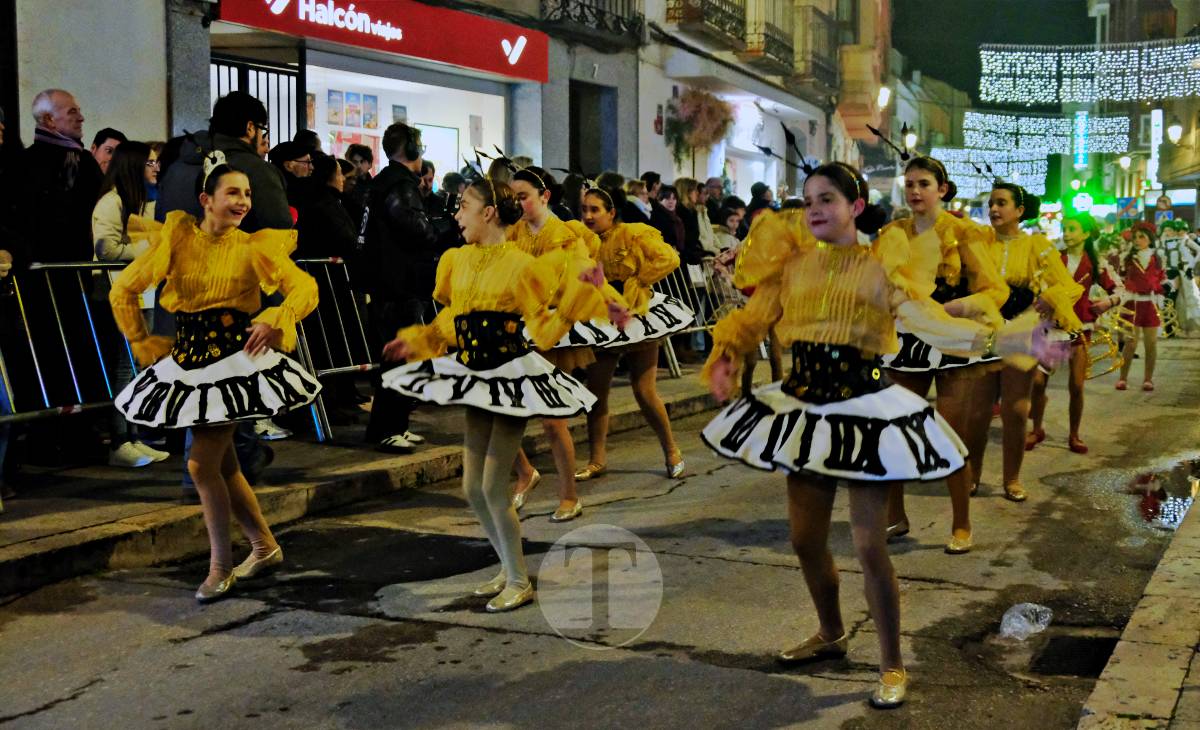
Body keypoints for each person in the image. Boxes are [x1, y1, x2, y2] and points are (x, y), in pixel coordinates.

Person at [700, 162, 1046, 710]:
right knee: (805, 540)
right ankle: (831, 634)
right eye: (809, 199)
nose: (815, 208)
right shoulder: (790, 268)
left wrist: (1002, 336)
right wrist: (726, 355)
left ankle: (891, 663)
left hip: (865, 410)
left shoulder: (881, 269)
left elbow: (925, 320)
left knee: (868, 543)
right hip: (805, 409)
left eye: (829, 199)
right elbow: (753, 320)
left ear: (855, 207)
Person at [380, 177, 605, 612]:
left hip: (510, 377)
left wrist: (567, 316)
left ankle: (519, 580)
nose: (456, 213)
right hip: (476, 374)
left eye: (464, 206)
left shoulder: (522, 264)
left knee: (491, 486)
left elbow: (545, 317)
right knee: (471, 487)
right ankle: (507, 566)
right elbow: (454, 319)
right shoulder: (458, 260)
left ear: (488, 213)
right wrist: (420, 339)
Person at [109, 156, 320, 603]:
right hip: (187, 363)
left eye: (247, 193)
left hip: (234, 364)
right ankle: (263, 546)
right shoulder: (176, 239)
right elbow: (123, 288)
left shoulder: (254, 247)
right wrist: (141, 340)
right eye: (232, 193)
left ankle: (221, 566)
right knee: (223, 465)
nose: (243, 201)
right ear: (206, 199)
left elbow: (304, 288)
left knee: (200, 465)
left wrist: (276, 316)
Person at [877, 156, 1010, 554]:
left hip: (952, 341)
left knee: (948, 435)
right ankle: (896, 516)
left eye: (923, 184)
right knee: (896, 430)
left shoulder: (963, 233)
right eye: (910, 183)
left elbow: (995, 290)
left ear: (942, 189)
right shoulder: (892, 233)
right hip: (905, 342)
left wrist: (956, 308)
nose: (915, 191)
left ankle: (962, 523)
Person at [506, 166, 627, 521]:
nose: (518, 203)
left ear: (544, 197)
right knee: (500, 409)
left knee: (551, 419)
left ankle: (569, 496)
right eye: (514, 197)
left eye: (524, 196)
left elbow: (584, 276)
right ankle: (525, 473)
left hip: (552, 333)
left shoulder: (563, 234)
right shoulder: (514, 230)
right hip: (521, 329)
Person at [967, 183, 1082, 503]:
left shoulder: (1037, 245)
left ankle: (1012, 479)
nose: (993, 209)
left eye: (1001, 203)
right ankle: (972, 475)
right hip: (983, 331)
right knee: (977, 412)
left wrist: (1049, 296)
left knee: (1016, 411)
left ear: (1019, 210)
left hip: (1021, 331)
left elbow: (1070, 287)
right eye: (991, 203)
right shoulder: (978, 242)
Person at [575, 184, 691, 483]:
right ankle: (596, 460)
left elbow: (669, 258)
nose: (588, 216)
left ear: (611, 213)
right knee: (596, 391)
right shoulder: (583, 241)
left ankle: (671, 450)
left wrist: (638, 281)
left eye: (595, 210)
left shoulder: (632, 233)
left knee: (644, 390)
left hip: (638, 317)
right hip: (602, 318)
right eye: (585, 210)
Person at [92, 140, 172, 468]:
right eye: (149, 162)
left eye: (156, 162)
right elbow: (107, 249)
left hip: (145, 291)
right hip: (121, 292)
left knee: (140, 366)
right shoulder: (111, 203)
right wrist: (148, 249)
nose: (155, 167)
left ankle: (136, 435)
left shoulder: (144, 203)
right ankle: (120, 439)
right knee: (125, 367)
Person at [361, 123, 437, 453]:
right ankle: (387, 429)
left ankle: (395, 425)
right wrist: (444, 224)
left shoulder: (381, 182)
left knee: (402, 356)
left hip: (387, 283)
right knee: (400, 358)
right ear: (413, 149)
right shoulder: (400, 185)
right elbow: (415, 228)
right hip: (399, 284)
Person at [1027, 213, 1123, 455]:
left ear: (1086, 234)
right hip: (1050, 329)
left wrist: (1106, 303)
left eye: (1071, 229)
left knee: (1077, 386)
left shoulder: (1096, 263)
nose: (1066, 233)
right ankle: (1036, 429)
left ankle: (1074, 434)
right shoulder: (1051, 259)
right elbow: (1034, 286)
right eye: (1064, 228)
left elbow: (1121, 289)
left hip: (1080, 330)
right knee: (1038, 384)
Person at [1116, 222, 1166, 391]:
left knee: (1151, 344)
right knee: (1130, 343)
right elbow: (1120, 280)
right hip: (1132, 303)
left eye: (1142, 237)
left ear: (1150, 239)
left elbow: (1162, 280)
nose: (1137, 240)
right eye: (1135, 237)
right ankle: (1123, 378)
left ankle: (1148, 379)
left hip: (1150, 304)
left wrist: (1165, 290)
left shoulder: (1158, 258)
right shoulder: (1127, 257)